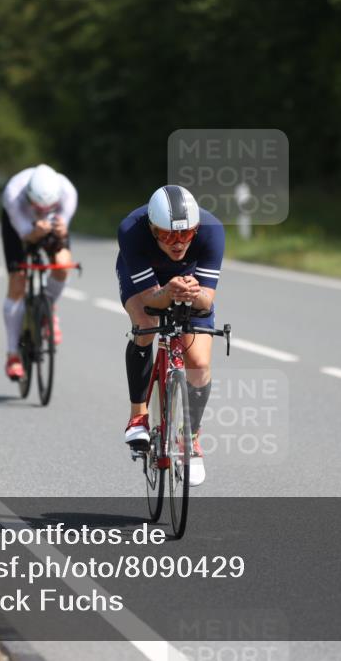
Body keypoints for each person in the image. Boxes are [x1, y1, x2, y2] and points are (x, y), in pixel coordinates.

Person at [115, 185, 224, 487]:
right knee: (146, 323)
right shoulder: (131, 231)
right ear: (152, 229)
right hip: (146, 281)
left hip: (190, 282)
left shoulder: (212, 230)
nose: (177, 244)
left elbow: (207, 300)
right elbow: (151, 300)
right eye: (167, 235)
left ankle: (191, 436)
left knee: (199, 364)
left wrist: (193, 292)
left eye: (185, 235)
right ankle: (138, 416)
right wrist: (167, 292)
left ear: (196, 229)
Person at [0, 164, 78, 380]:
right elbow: (25, 235)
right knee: (18, 280)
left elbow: (62, 229)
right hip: (18, 225)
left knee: (62, 265)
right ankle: (12, 353)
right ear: (29, 196)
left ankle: (49, 307)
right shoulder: (13, 193)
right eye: (38, 206)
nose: (42, 210)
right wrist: (34, 232)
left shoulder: (68, 192)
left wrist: (60, 230)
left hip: (52, 224)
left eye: (48, 207)